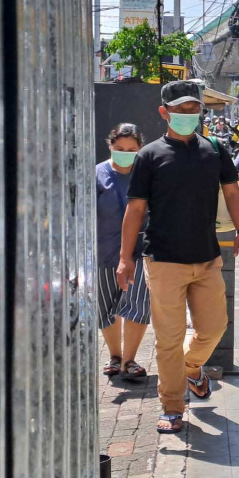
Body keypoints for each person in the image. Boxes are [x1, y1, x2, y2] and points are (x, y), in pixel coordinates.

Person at [116, 80, 239, 435]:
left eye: (195, 110)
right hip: (163, 261)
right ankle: (173, 407)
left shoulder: (214, 149)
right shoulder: (149, 156)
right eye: (182, 110)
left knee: (214, 329)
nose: (190, 116)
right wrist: (125, 258)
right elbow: (135, 209)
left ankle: (192, 368)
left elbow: (233, 192)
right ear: (165, 113)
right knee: (168, 340)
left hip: (207, 258)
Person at [97, 123, 150, 378]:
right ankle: (115, 356)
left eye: (131, 149)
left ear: (140, 149)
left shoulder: (148, 174)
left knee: (138, 303)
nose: (125, 153)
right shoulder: (96, 175)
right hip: (102, 251)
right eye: (119, 148)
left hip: (141, 251)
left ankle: (130, 360)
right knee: (105, 306)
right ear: (110, 146)